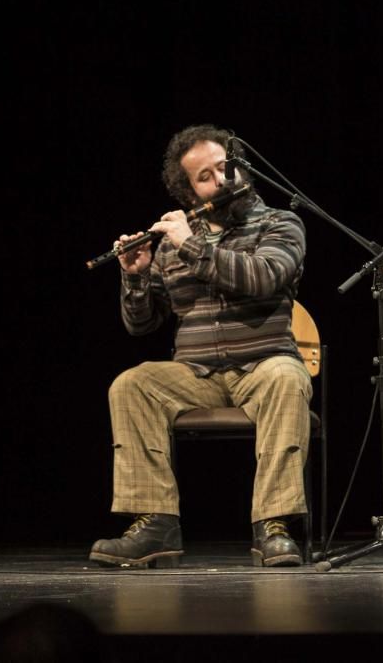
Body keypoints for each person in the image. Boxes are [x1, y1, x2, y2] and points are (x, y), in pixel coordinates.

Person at [89, 124, 311, 568]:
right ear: (188, 190)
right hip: (197, 374)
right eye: (205, 176)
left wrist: (189, 245)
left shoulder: (280, 224)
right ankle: (156, 524)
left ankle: (272, 525)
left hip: (264, 364)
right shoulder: (173, 243)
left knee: (289, 378)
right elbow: (142, 324)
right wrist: (134, 275)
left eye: (225, 167)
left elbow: (262, 277)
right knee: (131, 384)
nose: (221, 180)